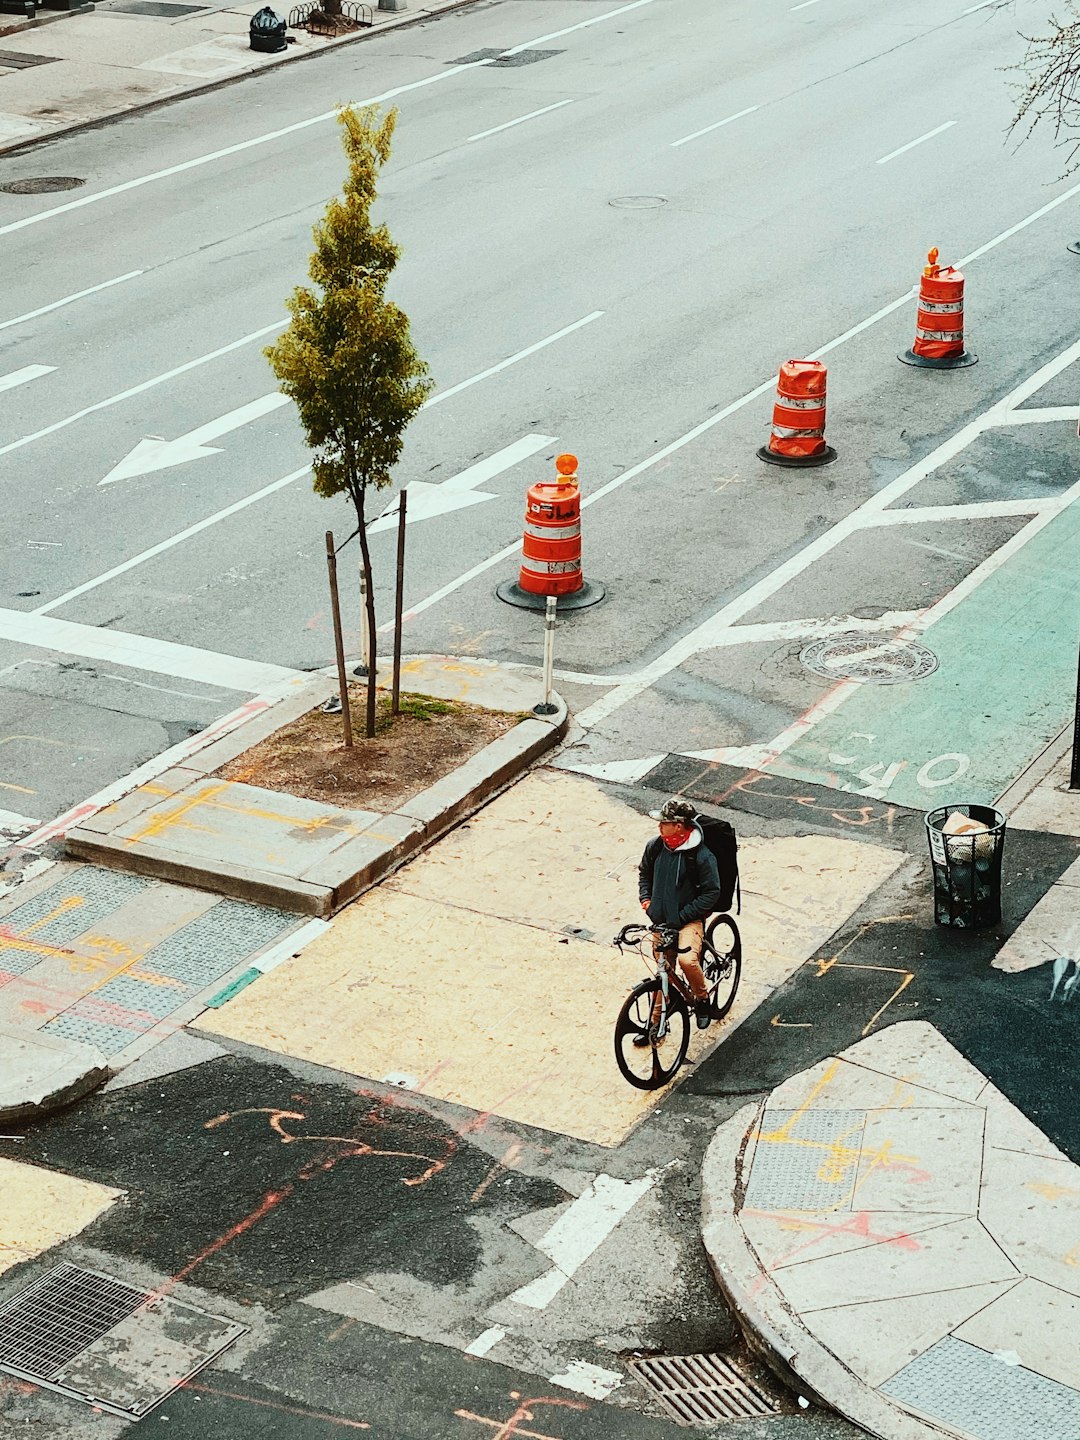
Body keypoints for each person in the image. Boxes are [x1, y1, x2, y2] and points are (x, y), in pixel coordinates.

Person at [637, 798, 722, 1039]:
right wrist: (647, 901)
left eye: (664, 823)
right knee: (663, 970)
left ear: (678, 826)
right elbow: (644, 873)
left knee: (687, 961)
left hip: (688, 920)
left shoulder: (702, 856)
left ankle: (702, 999)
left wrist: (683, 915)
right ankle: (654, 1025)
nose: (659, 827)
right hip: (661, 920)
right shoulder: (655, 847)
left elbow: (711, 893)